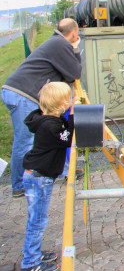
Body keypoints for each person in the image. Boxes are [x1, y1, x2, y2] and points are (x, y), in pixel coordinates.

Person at [1, 18, 82, 198]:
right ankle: (19, 185)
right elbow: (75, 72)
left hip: (22, 92)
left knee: (47, 135)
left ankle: (63, 171)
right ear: (74, 33)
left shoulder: (56, 42)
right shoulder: (60, 45)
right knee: (25, 141)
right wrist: (76, 48)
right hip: (23, 94)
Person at [20, 82, 78, 271]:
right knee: (37, 221)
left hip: (35, 175)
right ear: (62, 104)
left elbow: (58, 127)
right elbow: (67, 138)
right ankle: (31, 263)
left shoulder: (43, 119)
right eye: (68, 99)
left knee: (36, 218)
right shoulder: (51, 126)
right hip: (40, 178)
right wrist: (73, 114)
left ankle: (33, 252)